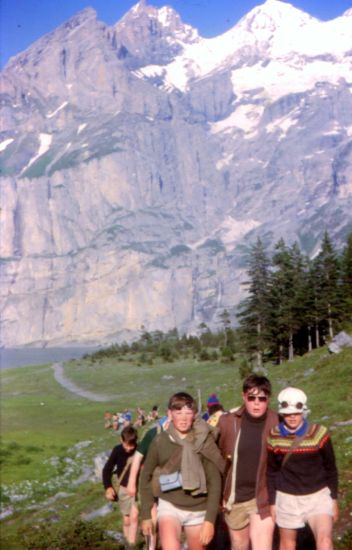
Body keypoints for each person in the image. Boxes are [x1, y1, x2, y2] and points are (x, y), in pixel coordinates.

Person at [140, 391, 225, 550]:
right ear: (170, 414)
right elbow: (145, 477)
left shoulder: (204, 441)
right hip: (169, 504)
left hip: (199, 507)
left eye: (188, 412)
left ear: (194, 414)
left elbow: (215, 482)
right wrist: (146, 515)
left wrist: (210, 520)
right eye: (179, 412)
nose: (184, 417)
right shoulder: (160, 441)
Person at [267, 387, 339, 550]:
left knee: (325, 542)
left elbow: (330, 468)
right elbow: (271, 471)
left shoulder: (319, 433)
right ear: (282, 413)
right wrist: (273, 502)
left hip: (318, 495)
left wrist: (333, 499)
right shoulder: (274, 435)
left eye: (296, 413)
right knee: (287, 544)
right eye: (287, 413)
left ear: (303, 411)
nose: (292, 417)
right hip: (287, 497)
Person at [217, 374, 278, 550]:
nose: (256, 403)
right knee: (239, 544)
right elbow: (216, 458)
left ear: (268, 399)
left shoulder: (277, 423)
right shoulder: (227, 422)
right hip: (234, 498)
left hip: (262, 496)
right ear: (244, 397)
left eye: (262, 398)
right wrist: (219, 493)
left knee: (262, 545)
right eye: (251, 397)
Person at [126, 415, 170, 550]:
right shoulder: (153, 433)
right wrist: (132, 482)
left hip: (170, 482)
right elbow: (137, 458)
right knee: (152, 514)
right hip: (151, 480)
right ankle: (151, 546)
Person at [102, 425, 139, 546]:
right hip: (123, 488)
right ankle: (128, 541)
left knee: (134, 517)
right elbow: (107, 469)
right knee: (127, 519)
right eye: (126, 445)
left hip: (139, 489)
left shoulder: (140, 450)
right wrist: (108, 487)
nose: (128, 448)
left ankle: (132, 545)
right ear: (121, 440)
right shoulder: (117, 450)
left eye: (131, 445)